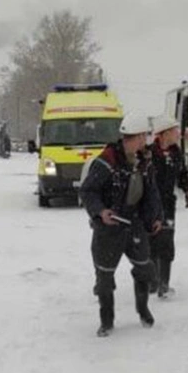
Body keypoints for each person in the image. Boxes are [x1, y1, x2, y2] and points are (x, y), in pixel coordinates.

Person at [79, 111, 164, 336]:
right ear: (132, 138)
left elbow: (151, 193)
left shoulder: (144, 162)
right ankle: (106, 320)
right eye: (142, 137)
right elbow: (87, 191)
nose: (145, 141)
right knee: (105, 277)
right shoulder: (106, 161)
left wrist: (155, 217)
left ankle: (143, 309)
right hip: (109, 229)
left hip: (134, 225)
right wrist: (100, 212)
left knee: (145, 268)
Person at [148, 115, 188, 299]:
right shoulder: (148, 154)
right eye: (175, 130)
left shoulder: (176, 152)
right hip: (149, 206)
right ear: (164, 133)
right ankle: (152, 281)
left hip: (168, 204)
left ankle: (164, 284)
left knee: (167, 242)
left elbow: (182, 173)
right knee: (151, 242)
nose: (178, 134)